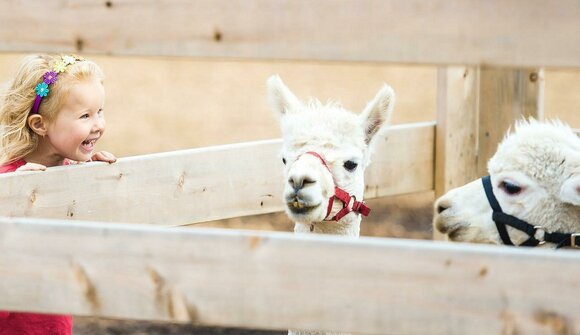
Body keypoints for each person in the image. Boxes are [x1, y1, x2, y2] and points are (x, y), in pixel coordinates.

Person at [0, 54, 117, 334]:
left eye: (99, 111)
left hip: (53, 323)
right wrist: (11, 196)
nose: (98, 124)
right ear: (40, 124)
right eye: (85, 116)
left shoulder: (74, 174)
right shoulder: (11, 178)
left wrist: (96, 184)